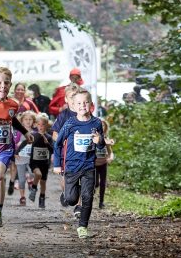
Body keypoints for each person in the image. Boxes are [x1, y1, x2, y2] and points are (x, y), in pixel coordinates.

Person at [0, 67, 33, 227]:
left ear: (10, 85)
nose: (3, 85)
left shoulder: (13, 105)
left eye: (6, 82)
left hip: (4, 149)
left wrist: (24, 132)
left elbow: (12, 120)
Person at [53, 89, 105, 239]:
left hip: (89, 166)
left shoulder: (96, 123)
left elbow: (101, 146)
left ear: (91, 104)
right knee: (71, 200)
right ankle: (74, 190)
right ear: (73, 107)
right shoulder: (70, 124)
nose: (83, 105)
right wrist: (57, 165)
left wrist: (99, 141)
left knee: (88, 197)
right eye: (79, 103)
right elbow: (57, 144)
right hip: (72, 166)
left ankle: (83, 226)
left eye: (86, 102)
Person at [17, 113, 53, 208]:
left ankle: (42, 198)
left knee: (43, 182)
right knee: (38, 174)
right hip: (34, 162)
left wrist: (47, 143)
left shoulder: (49, 137)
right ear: (36, 125)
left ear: (46, 125)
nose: (41, 127)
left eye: (43, 125)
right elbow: (24, 142)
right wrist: (17, 152)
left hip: (44, 162)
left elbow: (52, 150)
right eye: (39, 124)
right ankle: (33, 188)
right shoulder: (33, 135)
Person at [12, 111, 37, 206]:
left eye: (30, 119)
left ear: (33, 122)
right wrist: (15, 153)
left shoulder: (35, 133)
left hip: (32, 159)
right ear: (21, 121)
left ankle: (30, 180)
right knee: (21, 180)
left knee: (32, 173)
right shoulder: (18, 133)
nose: (28, 121)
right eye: (26, 119)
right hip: (20, 158)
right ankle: (22, 197)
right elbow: (14, 143)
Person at [94, 119, 115, 209]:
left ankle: (101, 202)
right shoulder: (93, 138)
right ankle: (92, 192)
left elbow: (110, 152)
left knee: (103, 183)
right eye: (100, 125)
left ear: (105, 128)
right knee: (95, 183)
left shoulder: (106, 139)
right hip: (94, 164)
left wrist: (111, 158)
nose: (101, 127)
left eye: (103, 125)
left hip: (103, 164)